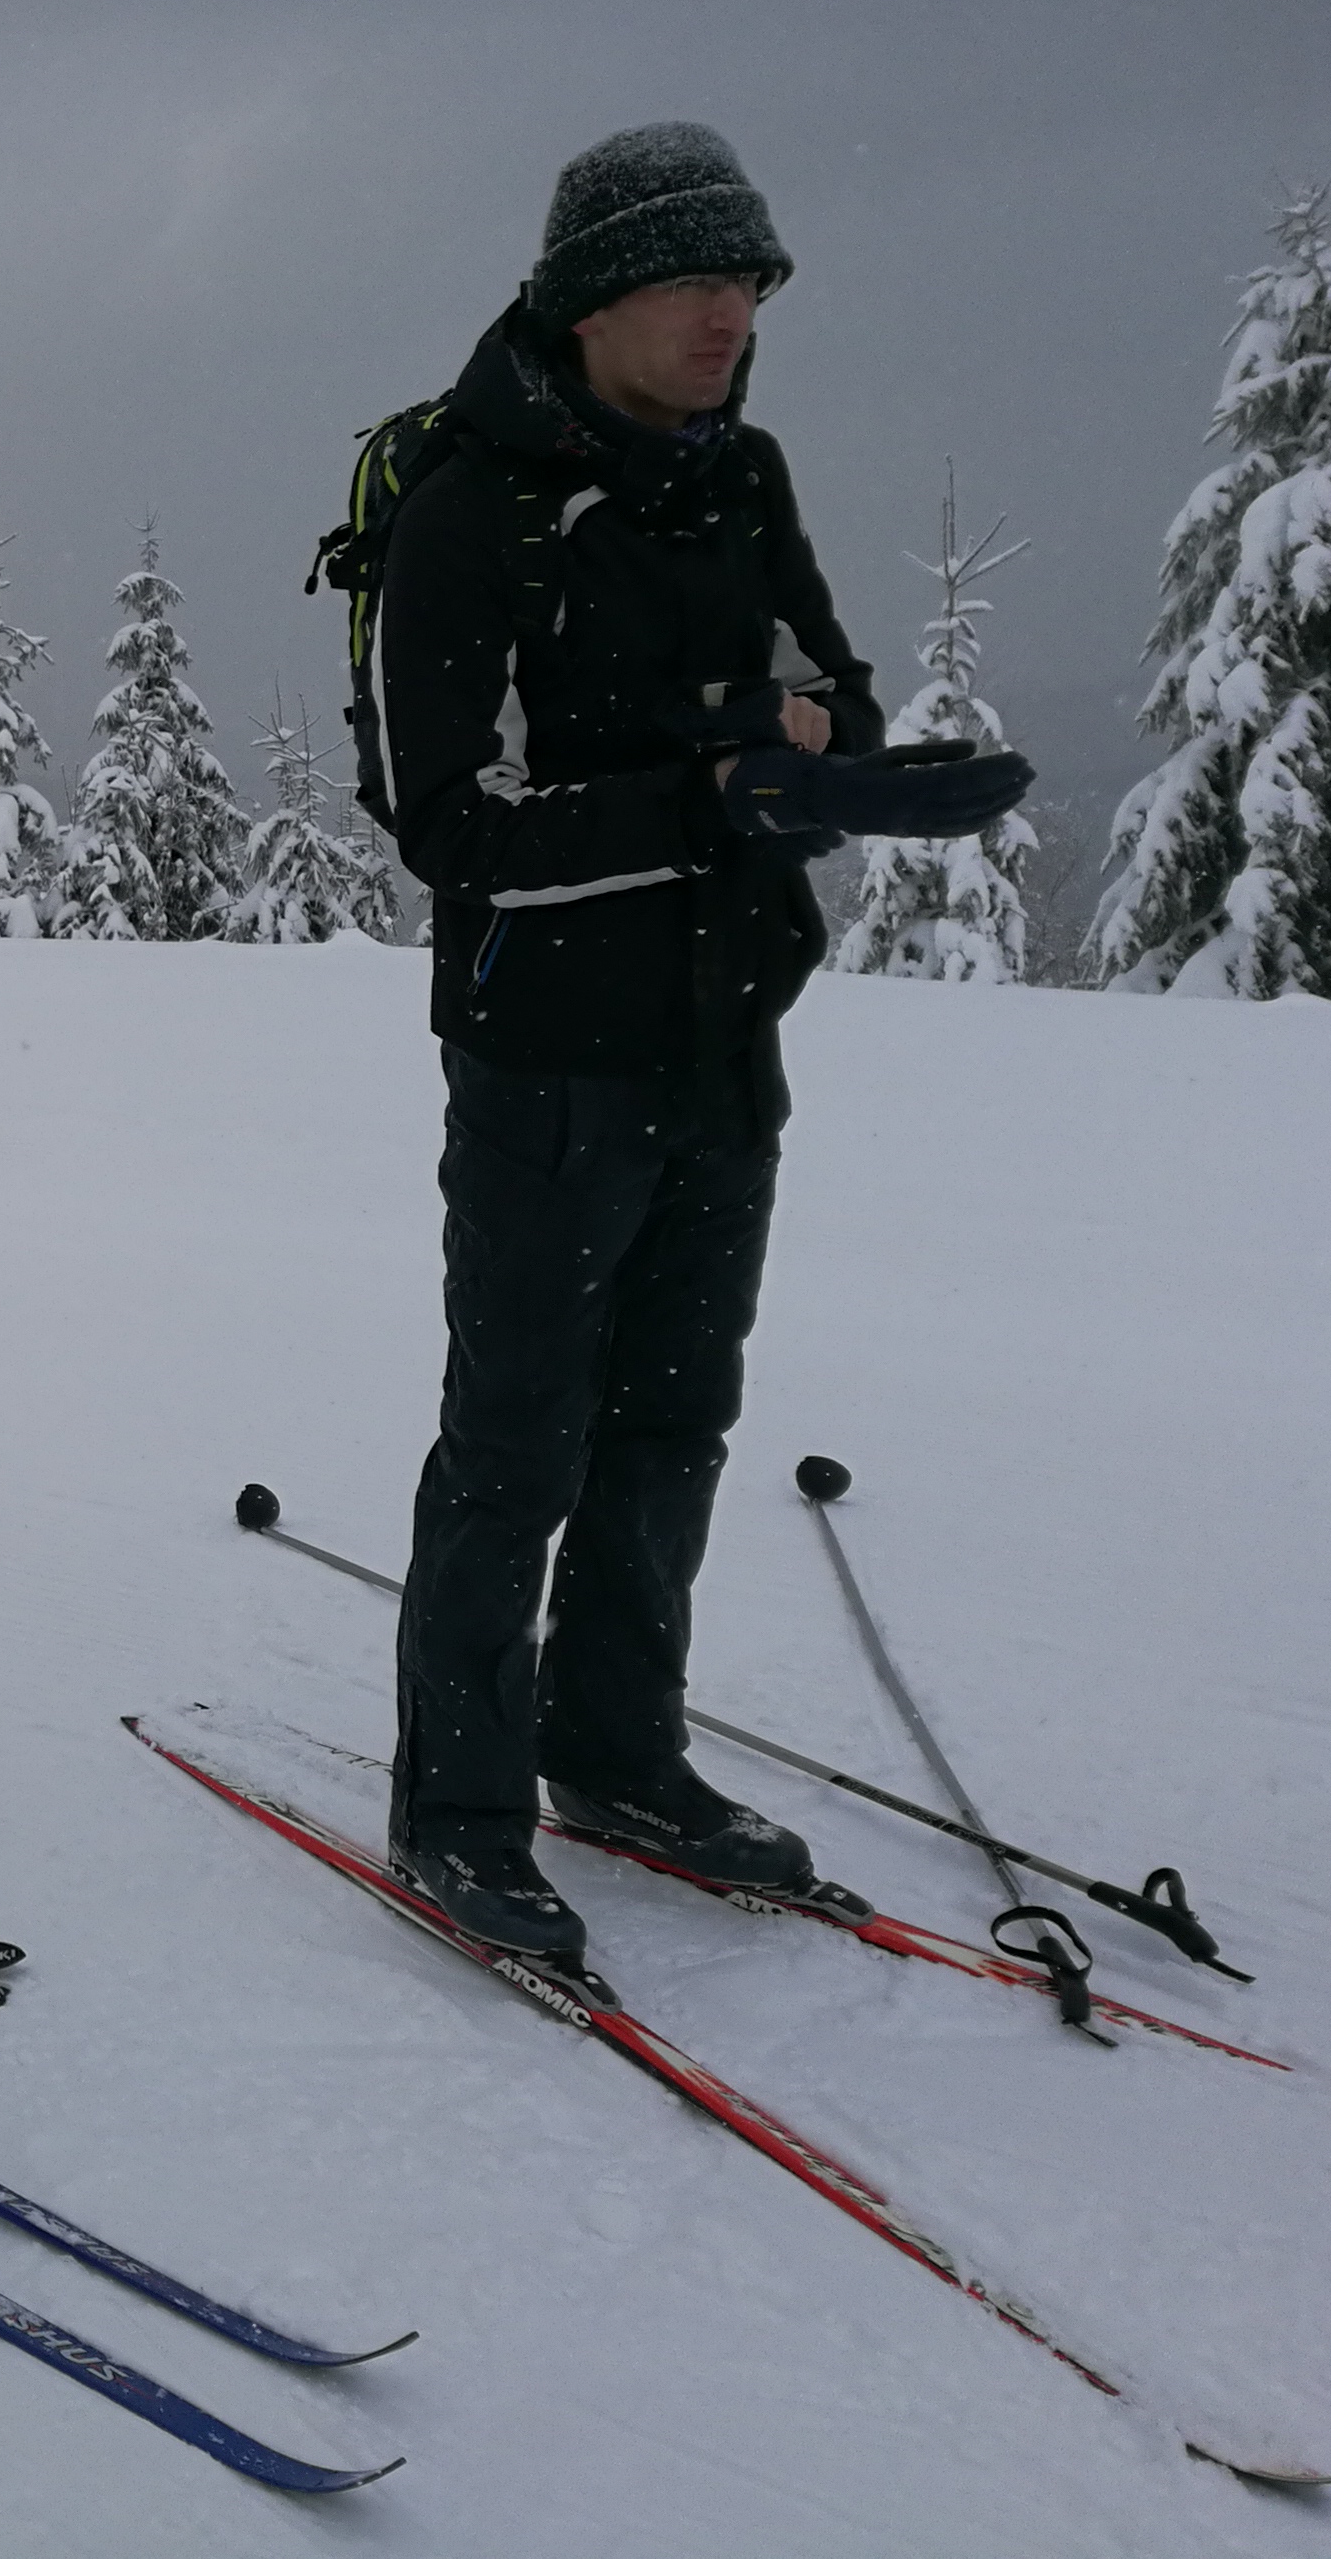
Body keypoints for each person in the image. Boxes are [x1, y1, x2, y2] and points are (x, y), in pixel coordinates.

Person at [368, 125, 1034, 1958]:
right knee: (518, 1441)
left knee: (673, 1422)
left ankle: (615, 1753)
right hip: (547, 1063)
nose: (730, 314)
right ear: (593, 301)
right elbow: (455, 823)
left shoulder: (743, 475)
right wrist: (724, 782)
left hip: (726, 1038)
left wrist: (841, 767)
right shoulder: (473, 509)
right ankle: (458, 1813)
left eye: (748, 281)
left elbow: (835, 697)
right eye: (691, 280)